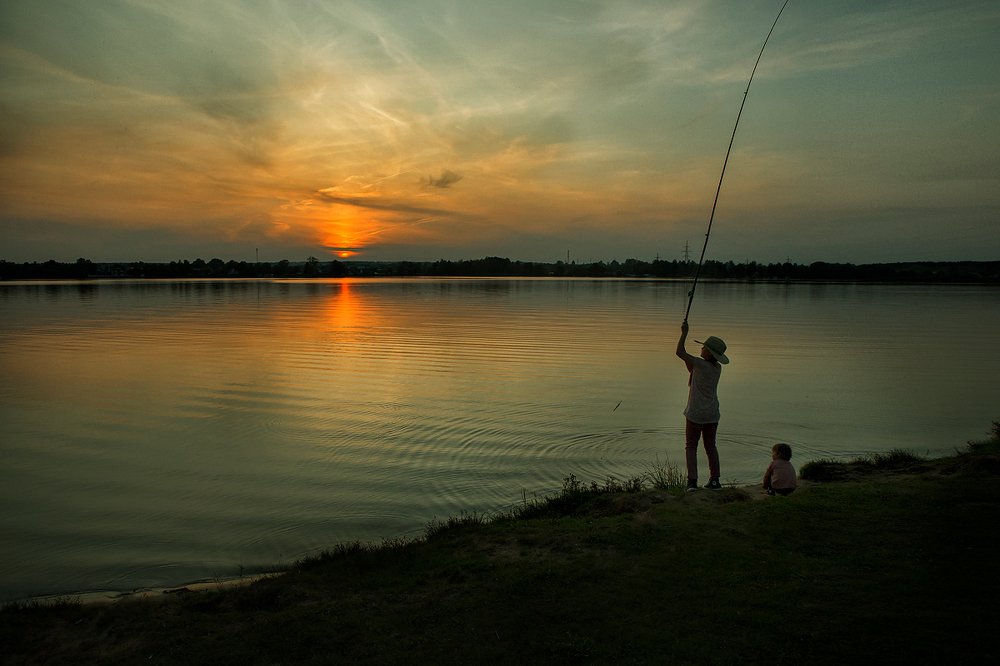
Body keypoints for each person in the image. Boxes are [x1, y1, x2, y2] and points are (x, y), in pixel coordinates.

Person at [675, 320, 729, 491]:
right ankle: (715, 480)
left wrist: (684, 332)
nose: (701, 348)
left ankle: (692, 482)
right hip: (712, 414)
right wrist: (691, 360)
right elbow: (692, 370)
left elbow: (679, 352)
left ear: (709, 352)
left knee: (691, 446)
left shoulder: (700, 364)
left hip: (696, 413)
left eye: (704, 347)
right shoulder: (717, 368)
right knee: (710, 446)